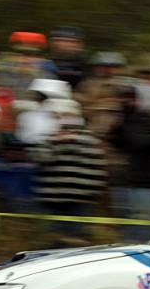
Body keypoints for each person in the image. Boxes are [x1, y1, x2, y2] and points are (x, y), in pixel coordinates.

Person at [31, 99, 107, 245]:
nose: (59, 118)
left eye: (61, 115)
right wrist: (55, 142)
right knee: (51, 240)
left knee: (72, 241)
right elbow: (38, 159)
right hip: (52, 200)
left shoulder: (89, 139)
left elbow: (97, 168)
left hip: (78, 202)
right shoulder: (49, 137)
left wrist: (91, 194)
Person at [109, 85, 150, 242]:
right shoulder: (125, 120)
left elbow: (142, 143)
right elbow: (117, 144)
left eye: (130, 98)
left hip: (147, 184)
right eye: (123, 98)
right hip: (124, 182)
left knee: (145, 228)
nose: (125, 102)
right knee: (126, 228)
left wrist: (126, 123)